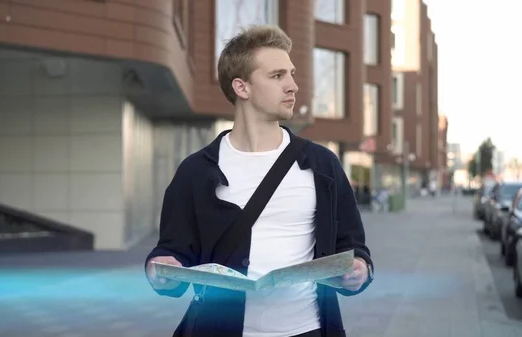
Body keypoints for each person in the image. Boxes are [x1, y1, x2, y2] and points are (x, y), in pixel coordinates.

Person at [145, 25, 374, 337]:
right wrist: (161, 268)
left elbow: (353, 246)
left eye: (292, 74)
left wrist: (359, 270)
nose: (293, 86)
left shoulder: (323, 166)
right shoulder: (195, 171)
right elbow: (172, 250)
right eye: (278, 76)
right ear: (242, 88)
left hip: (310, 330)